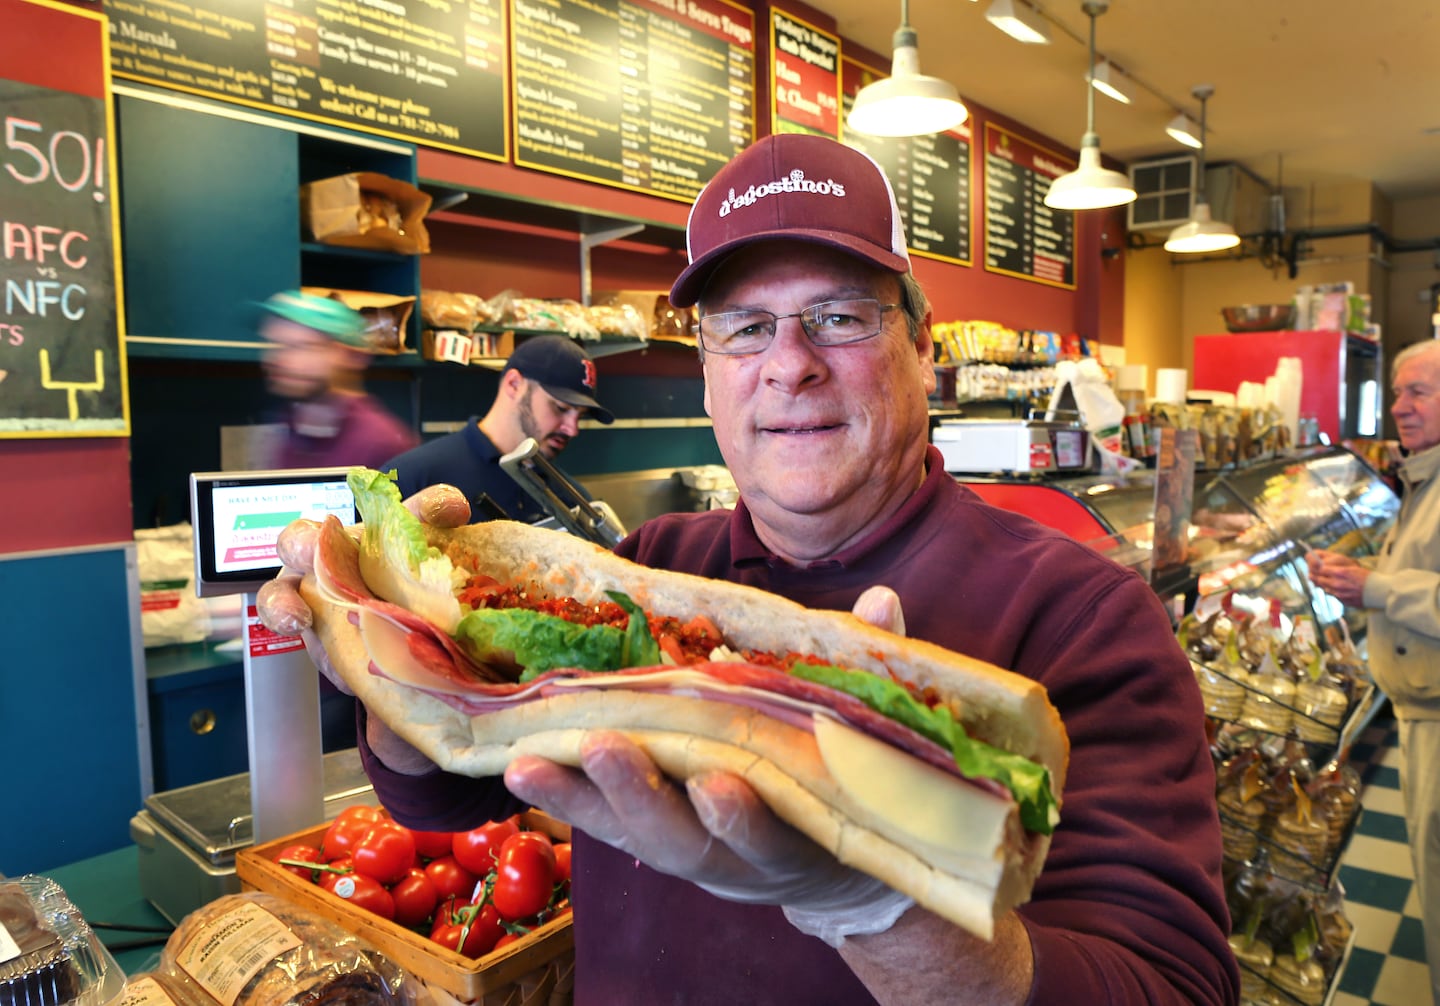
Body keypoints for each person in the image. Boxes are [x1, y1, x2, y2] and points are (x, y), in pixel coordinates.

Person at [260, 134, 1238, 1004]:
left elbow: (1173, 982)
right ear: (708, 371)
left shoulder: (1085, 617)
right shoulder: (644, 564)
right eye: (743, 327)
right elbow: (449, 799)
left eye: (840, 316)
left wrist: (870, 906)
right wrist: (395, 653)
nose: (789, 363)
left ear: (921, 345)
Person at [1308, 338, 1440, 1006]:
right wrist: (1355, 572)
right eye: (1396, 393)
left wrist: (1377, 588)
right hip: (1418, 713)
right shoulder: (1422, 473)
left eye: (1419, 392)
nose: (1400, 408)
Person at [380, 334, 614, 523]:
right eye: (561, 408)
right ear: (514, 385)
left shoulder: (573, 502)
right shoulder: (412, 477)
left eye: (580, 417)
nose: (572, 429)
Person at [256, 290, 418, 470]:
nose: (277, 359)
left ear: (353, 356)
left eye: (302, 347)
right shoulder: (285, 432)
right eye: (276, 345)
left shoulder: (382, 445)